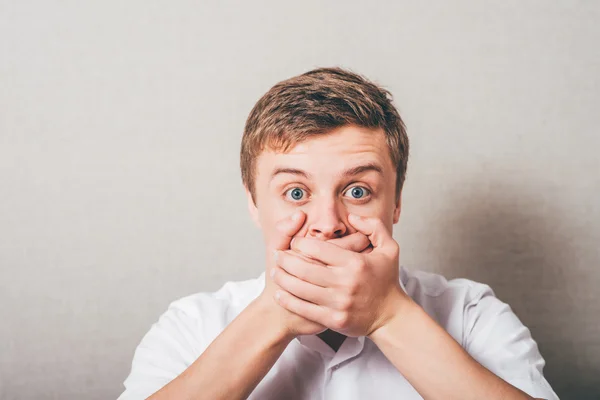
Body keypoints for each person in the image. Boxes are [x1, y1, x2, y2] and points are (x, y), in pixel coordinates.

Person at [117, 67, 558, 400]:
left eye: (357, 190)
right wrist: (274, 315)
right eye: (295, 192)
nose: (328, 222)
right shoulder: (192, 327)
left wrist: (389, 315)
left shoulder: (472, 315)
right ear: (254, 203)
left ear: (396, 203)